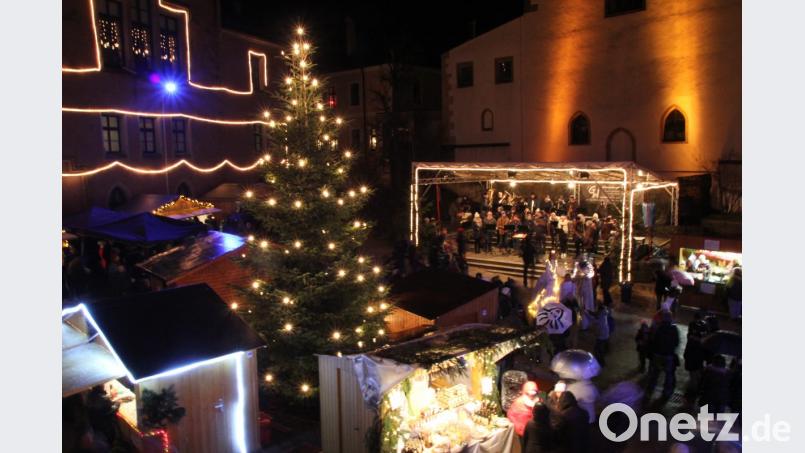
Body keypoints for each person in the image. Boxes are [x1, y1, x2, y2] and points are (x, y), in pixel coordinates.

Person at [646, 310, 680, 399]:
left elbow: (653, 340)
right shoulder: (674, 329)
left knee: (655, 373)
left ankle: (650, 390)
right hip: (668, 355)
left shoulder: (658, 327)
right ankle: (666, 392)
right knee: (668, 374)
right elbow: (676, 342)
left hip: (658, 354)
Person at [508, 381, 541, 448]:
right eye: (530, 391)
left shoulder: (538, 402)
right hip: (521, 432)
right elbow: (511, 414)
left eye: (534, 391)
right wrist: (519, 428)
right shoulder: (519, 402)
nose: (532, 394)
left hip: (533, 431)